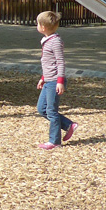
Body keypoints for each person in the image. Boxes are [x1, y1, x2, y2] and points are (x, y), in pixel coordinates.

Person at [35, 10, 78, 150]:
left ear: (43, 27)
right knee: (42, 109)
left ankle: (54, 141)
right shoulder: (47, 40)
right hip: (49, 80)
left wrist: (60, 81)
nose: (37, 26)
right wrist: (43, 78)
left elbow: (60, 62)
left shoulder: (55, 42)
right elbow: (48, 63)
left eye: (37, 24)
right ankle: (67, 125)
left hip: (54, 81)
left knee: (51, 111)